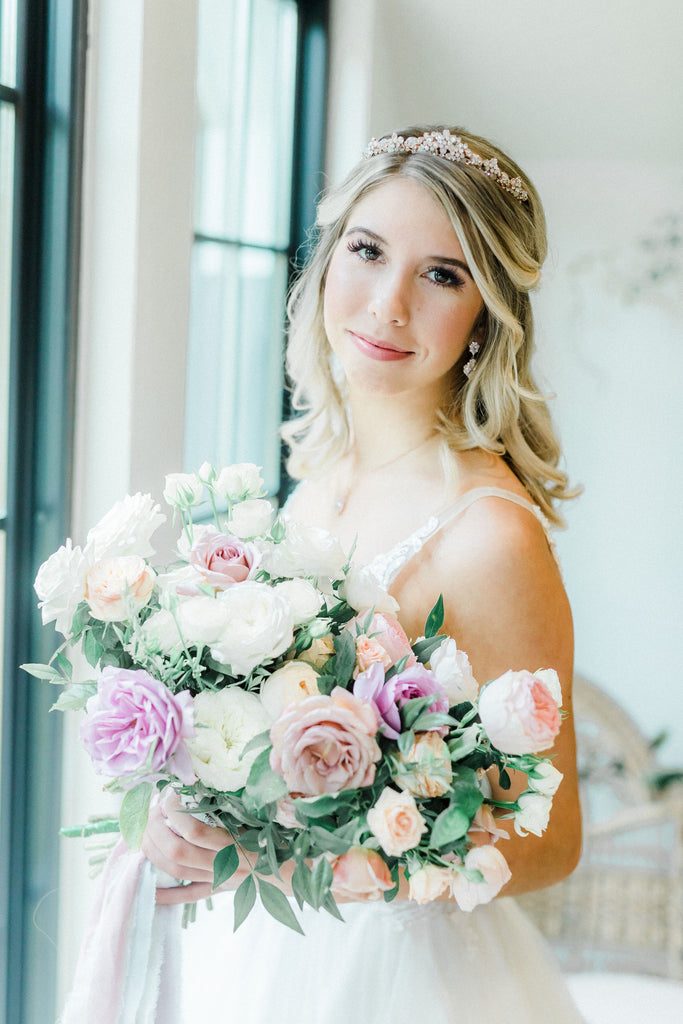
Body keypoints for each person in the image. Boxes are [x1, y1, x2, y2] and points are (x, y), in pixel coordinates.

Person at [142, 126, 585, 1022]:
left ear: (486, 314)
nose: (386, 306)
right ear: (325, 259)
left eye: (442, 274)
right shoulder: (314, 480)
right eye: (368, 251)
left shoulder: (488, 535)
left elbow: (554, 838)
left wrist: (326, 864)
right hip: (265, 954)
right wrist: (196, 823)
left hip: (405, 978)